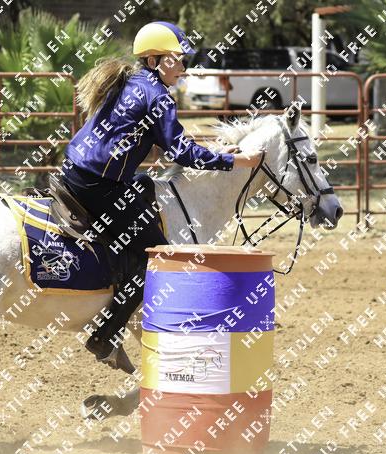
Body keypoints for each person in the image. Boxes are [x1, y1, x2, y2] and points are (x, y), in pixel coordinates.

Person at [58, 20, 262, 373]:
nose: (184, 67)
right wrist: (236, 161)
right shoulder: (157, 96)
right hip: (98, 185)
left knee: (142, 186)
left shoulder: (132, 82)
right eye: (177, 60)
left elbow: (172, 145)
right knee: (158, 257)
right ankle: (104, 336)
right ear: (154, 60)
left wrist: (215, 152)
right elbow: (181, 152)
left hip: (79, 173)